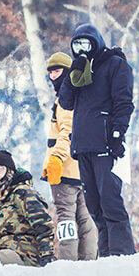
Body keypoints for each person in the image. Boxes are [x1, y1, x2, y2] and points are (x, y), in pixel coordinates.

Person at [58, 22, 136, 257]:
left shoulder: (114, 64)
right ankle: (106, 253)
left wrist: (117, 134)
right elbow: (65, 102)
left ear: (96, 42)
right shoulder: (78, 69)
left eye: (86, 43)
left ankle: (122, 252)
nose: (82, 49)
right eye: (77, 44)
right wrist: (73, 74)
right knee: (94, 204)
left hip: (106, 143)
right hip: (83, 145)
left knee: (110, 200)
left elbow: (124, 101)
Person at [43, 52, 99, 261]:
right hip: (83, 170)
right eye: (50, 72)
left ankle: (67, 266)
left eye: (57, 71)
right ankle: (89, 264)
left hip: (64, 170)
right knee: (86, 221)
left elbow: (67, 131)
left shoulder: (64, 100)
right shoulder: (83, 97)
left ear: (67, 72)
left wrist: (55, 158)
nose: (52, 76)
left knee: (67, 220)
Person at [0, 150, 56, 266]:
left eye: (0, 169)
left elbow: (43, 225)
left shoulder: (23, 193)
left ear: (9, 170)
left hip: (24, 252)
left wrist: (47, 255)